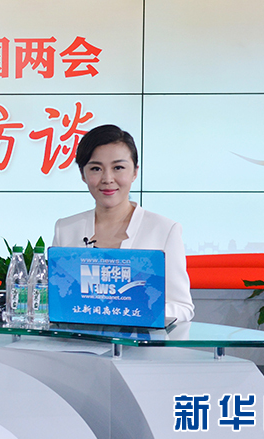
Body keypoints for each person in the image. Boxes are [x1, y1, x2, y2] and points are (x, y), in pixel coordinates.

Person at [52, 124, 194, 322]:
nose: (108, 179)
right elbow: (57, 300)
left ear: (135, 172)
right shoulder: (66, 229)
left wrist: (130, 309)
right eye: (96, 169)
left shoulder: (165, 230)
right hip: (79, 341)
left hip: (140, 341)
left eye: (118, 168)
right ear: (83, 175)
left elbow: (183, 308)